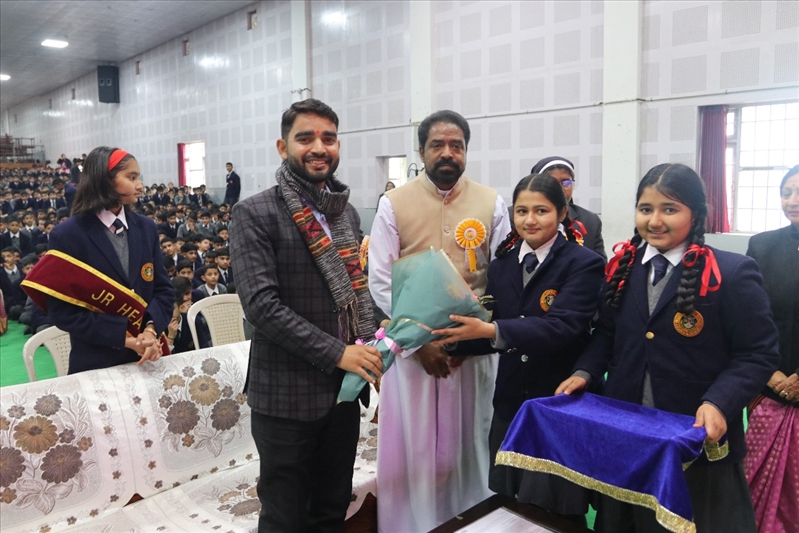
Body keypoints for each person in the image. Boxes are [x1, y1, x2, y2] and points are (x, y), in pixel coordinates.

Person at [556, 163, 780, 533]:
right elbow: (607, 335)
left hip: (694, 443)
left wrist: (718, 402)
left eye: (670, 209)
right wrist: (585, 372)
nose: (655, 221)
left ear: (696, 214)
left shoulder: (732, 272)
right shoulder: (621, 269)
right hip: (628, 438)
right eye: (645, 209)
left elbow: (757, 353)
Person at [230, 98, 383, 533]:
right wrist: (339, 353)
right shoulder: (255, 212)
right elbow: (262, 306)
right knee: (285, 517)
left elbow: (353, 290)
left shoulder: (345, 213)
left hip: (343, 395)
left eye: (329, 138)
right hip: (286, 396)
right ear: (283, 147)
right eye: (305, 138)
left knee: (331, 510)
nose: (319, 147)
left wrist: (377, 329)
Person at [430, 174, 605, 525]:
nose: (530, 220)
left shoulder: (583, 263)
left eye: (542, 210)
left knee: (558, 509)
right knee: (508, 503)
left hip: (558, 403)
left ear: (562, 213)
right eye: (522, 211)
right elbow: (494, 328)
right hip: (511, 403)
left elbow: (562, 327)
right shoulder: (502, 264)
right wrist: (450, 337)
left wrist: (491, 329)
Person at [369, 109, 512, 532]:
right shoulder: (393, 204)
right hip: (414, 353)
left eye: (457, 145)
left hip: (472, 353)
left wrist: (474, 341)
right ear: (421, 152)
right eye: (437, 145)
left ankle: (474, 523)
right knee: (415, 451)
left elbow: (503, 276)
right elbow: (380, 279)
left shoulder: (492, 203)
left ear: (466, 151)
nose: (448, 153)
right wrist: (419, 343)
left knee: (472, 444)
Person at [22, 147, 174, 374]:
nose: (140, 185)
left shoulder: (146, 227)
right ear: (106, 180)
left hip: (148, 357)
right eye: (132, 177)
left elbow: (163, 290)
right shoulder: (68, 235)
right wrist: (125, 339)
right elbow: (63, 311)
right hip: (96, 362)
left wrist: (150, 330)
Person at [743, 164, 799, 533]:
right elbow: (748, 316)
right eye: (786, 192)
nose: (792, 200)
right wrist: (769, 371)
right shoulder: (762, 245)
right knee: (755, 486)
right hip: (768, 386)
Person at [531, 156, 606, 260]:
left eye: (566, 183)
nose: (560, 189)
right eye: (552, 183)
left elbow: (601, 266)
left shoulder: (590, 221)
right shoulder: (516, 218)